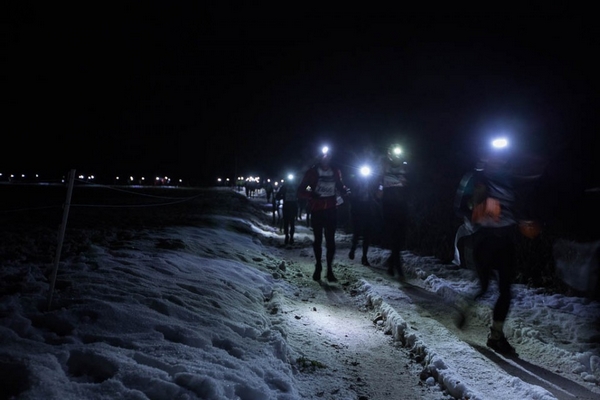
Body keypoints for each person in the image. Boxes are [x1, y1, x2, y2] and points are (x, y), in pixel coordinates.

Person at [454, 137, 546, 355]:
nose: (500, 159)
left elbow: (517, 207)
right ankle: (467, 304)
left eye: (503, 155)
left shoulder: (510, 180)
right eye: (496, 155)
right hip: (483, 239)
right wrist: (478, 210)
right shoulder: (475, 177)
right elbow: (459, 207)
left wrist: (525, 221)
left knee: (506, 291)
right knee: (485, 287)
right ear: (486, 156)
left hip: (505, 239)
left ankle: (496, 336)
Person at [297, 146, 350, 282]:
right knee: (318, 240)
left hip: (331, 208)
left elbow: (339, 185)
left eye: (328, 156)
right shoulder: (312, 171)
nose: (326, 158)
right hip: (317, 209)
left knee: (331, 241)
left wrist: (344, 190)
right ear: (320, 157)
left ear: (331, 157)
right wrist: (311, 191)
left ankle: (330, 270)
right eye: (323, 156)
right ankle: (318, 266)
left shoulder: (335, 171)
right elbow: (304, 186)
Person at [376, 144, 410, 279]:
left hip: (402, 205)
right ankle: (397, 267)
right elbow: (379, 180)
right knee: (394, 235)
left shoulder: (405, 167)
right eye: (392, 153)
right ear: (389, 154)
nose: (395, 156)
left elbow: (412, 183)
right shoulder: (385, 167)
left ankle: (391, 263)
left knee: (401, 236)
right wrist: (379, 189)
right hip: (388, 205)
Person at [349, 164, 378, 266]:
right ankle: (353, 249)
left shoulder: (372, 183)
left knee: (367, 234)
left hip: (367, 209)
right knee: (357, 232)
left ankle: (364, 256)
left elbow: (377, 191)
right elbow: (351, 192)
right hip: (358, 208)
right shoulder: (355, 182)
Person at [275, 174, 299, 245]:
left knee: (290, 222)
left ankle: (290, 237)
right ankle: (288, 236)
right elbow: (278, 195)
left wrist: (310, 188)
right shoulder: (285, 187)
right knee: (289, 222)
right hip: (289, 206)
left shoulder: (295, 186)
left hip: (291, 206)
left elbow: (306, 187)